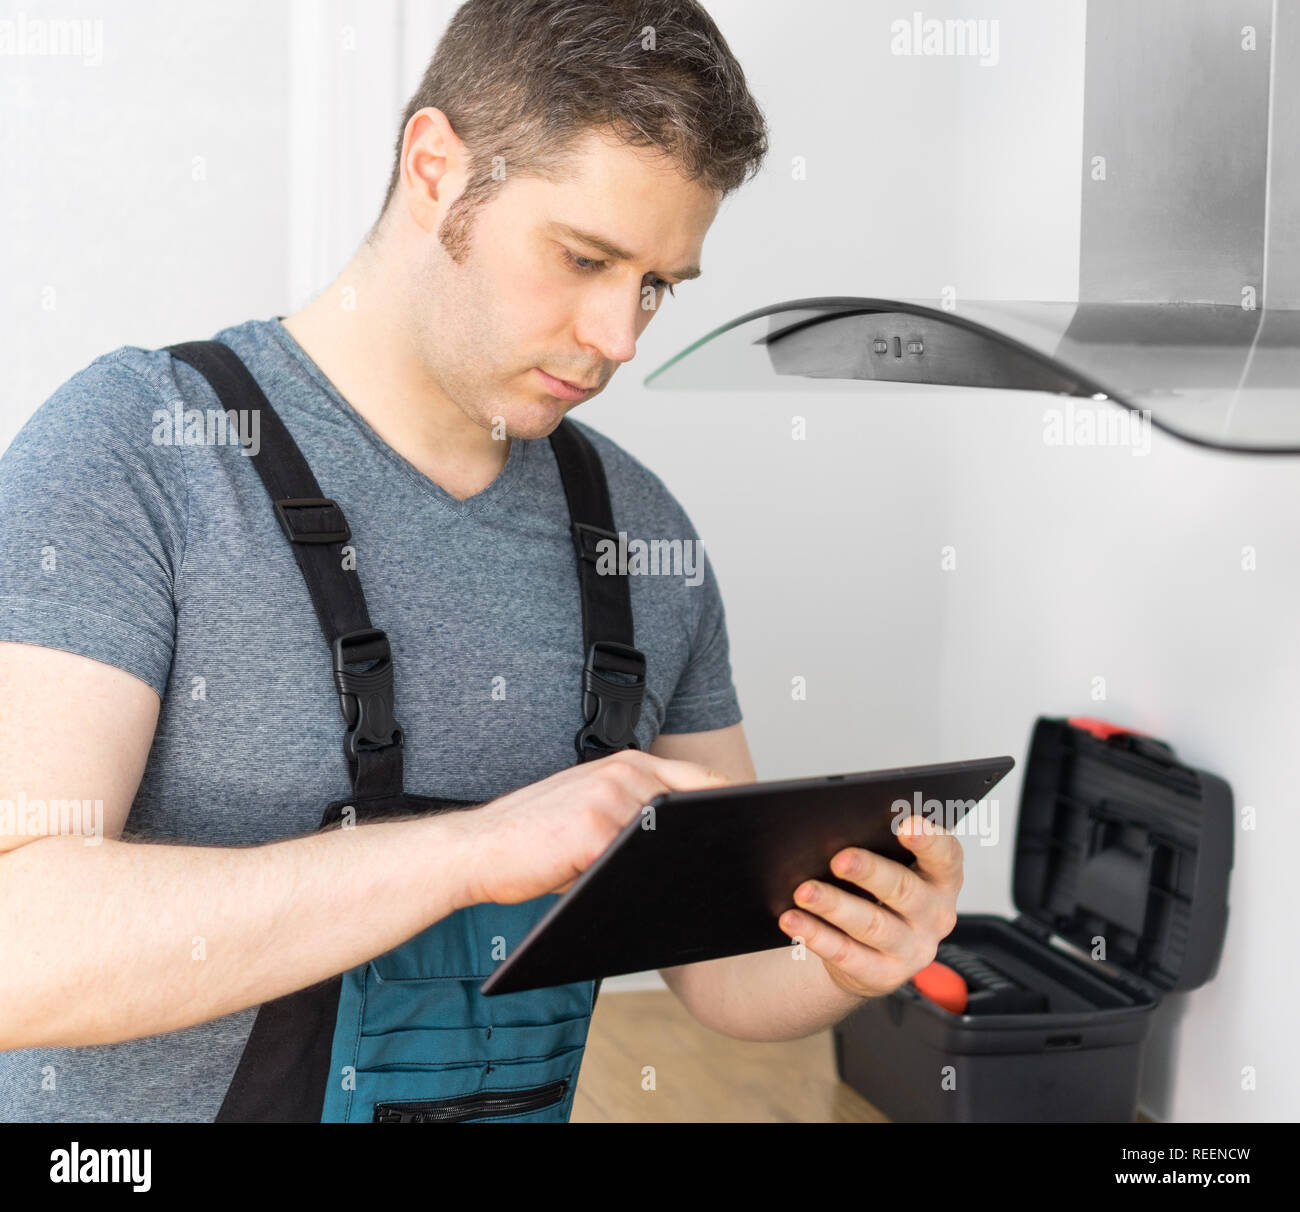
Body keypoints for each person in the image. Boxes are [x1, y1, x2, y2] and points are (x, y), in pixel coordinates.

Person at [0, 0, 962, 1123]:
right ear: (433, 169)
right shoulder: (137, 450)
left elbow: (727, 968)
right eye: (584, 257)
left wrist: (851, 952)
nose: (620, 337)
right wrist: (470, 851)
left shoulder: (641, 535)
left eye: (656, 284)